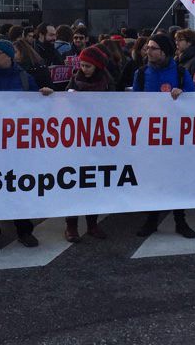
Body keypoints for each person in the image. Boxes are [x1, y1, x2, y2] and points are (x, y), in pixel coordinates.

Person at [0, 40, 49, 250]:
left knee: (18, 187)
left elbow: (38, 109)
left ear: (9, 56)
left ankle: (24, 230)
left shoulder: (25, 79)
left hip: (17, 147)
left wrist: (46, 97)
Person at [132, 34, 195, 239]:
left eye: (154, 48)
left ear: (165, 52)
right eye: (148, 47)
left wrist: (183, 93)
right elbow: (133, 103)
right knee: (153, 179)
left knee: (177, 179)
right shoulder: (141, 73)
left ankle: (180, 220)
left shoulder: (179, 72)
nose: (148, 51)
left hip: (175, 136)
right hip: (151, 138)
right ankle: (152, 220)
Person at [63, 45, 115, 243]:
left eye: (87, 66)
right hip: (76, 140)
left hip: (99, 140)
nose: (83, 69)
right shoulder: (75, 80)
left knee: (94, 184)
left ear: (98, 67)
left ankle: (92, 224)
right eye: (82, 65)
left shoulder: (108, 83)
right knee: (74, 183)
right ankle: (71, 225)